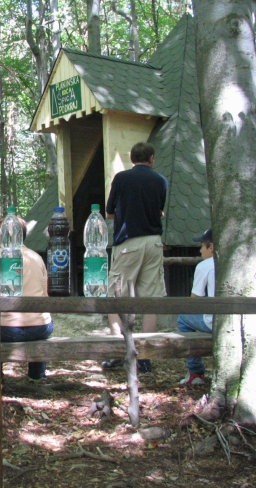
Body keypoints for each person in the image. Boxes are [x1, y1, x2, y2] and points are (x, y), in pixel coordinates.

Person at [104, 141, 168, 374]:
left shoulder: (121, 179)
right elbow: (160, 210)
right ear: (151, 158)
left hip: (128, 242)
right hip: (153, 241)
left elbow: (109, 211)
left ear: (132, 158)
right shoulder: (160, 180)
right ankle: (146, 356)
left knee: (115, 296)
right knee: (150, 297)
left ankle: (118, 350)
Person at [0, 215, 54, 380]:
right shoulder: (37, 257)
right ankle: (37, 375)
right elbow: (45, 296)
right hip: (42, 327)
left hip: (7, 329)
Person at [178, 228, 215, 386]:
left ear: (211, 247)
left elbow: (194, 301)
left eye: (202, 246)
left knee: (183, 318)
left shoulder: (205, 265)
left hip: (213, 321)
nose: (200, 250)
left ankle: (195, 371)